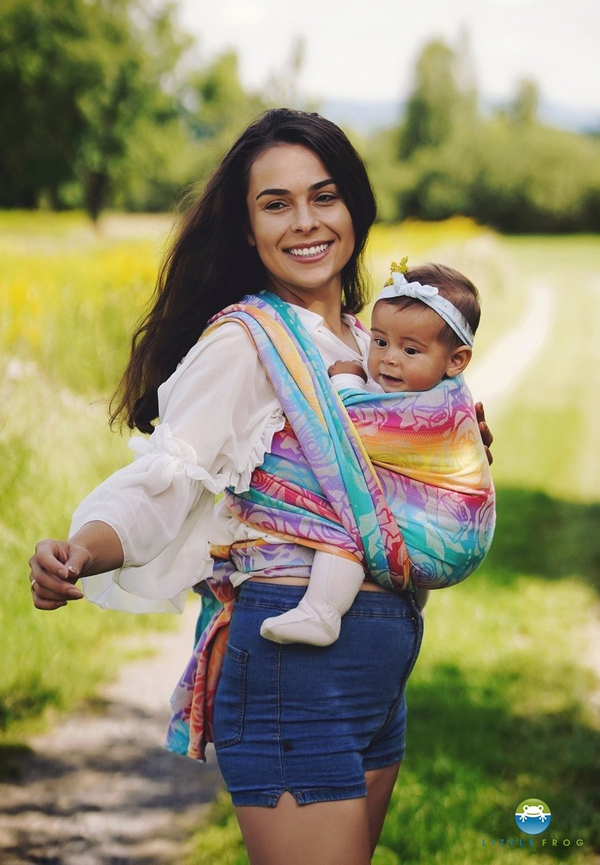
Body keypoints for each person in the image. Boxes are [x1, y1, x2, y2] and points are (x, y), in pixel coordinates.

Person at [29, 109, 493, 864]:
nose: (305, 221)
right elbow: (167, 478)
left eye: (324, 196)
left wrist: (445, 451)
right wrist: (81, 549)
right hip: (293, 670)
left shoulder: (370, 341)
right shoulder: (247, 342)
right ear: (248, 230)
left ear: (355, 209)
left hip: (379, 665)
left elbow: (398, 478)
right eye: (276, 204)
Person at [260, 259, 494, 647]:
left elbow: (351, 428)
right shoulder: (444, 390)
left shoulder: (436, 409)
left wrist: (346, 379)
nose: (388, 358)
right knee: (381, 503)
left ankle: (321, 612)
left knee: (351, 515)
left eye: (410, 349)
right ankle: (412, 605)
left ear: (456, 360)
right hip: (450, 537)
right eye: (380, 341)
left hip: (443, 538)